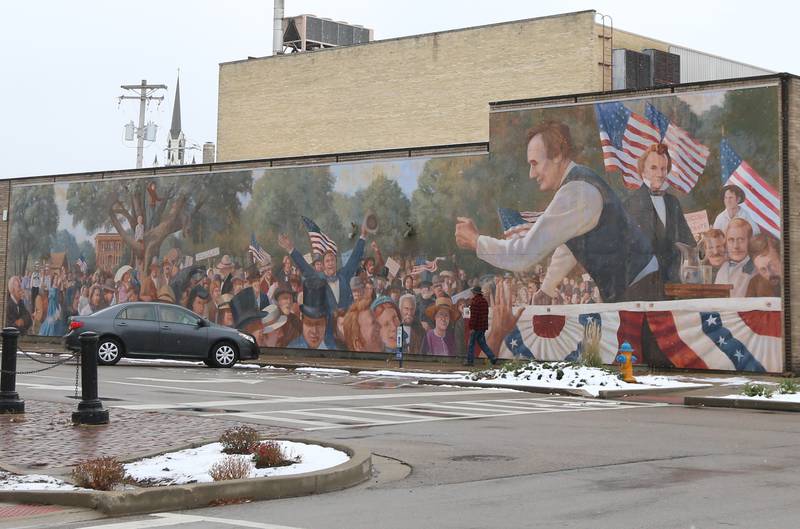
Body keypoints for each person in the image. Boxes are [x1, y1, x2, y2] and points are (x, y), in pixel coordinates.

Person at [455, 121, 659, 304]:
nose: (531, 174)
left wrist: (476, 241)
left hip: (640, 291)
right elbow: (570, 245)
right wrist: (547, 288)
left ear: (558, 155)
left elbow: (523, 255)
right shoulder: (578, 183)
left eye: (535, 163)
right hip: (639, 287)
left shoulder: (576, 192)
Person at [624, 143, 695, 287]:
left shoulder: (673, 202)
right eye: (654, 168)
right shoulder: (630, 204)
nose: (660, 174)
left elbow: (688, 242)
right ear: (643, 171)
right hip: (643, 286)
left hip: (673, 284)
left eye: (663, 169)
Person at [288, 277, 336, 349]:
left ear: (326, 322)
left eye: (319, 324)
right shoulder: (291, 350)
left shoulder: (334, 349)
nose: (314, 331)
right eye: (309, 323)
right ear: (302, 321)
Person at [715, 218, 755, 297]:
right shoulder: (723, 267)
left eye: (741, 240)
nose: (736, 246)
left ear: (750, 241)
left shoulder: (755, 269)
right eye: (731, 240)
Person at [464, 286, 498, 366]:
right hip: (482, 326)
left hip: (476, 327)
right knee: (482, 343)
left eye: (472, 293)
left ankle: (470, 361)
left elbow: (474, 316)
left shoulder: (475, 302)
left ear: (474, 293)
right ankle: (492, 357)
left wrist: (471, 327)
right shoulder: (484, 301)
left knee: (471, 344)